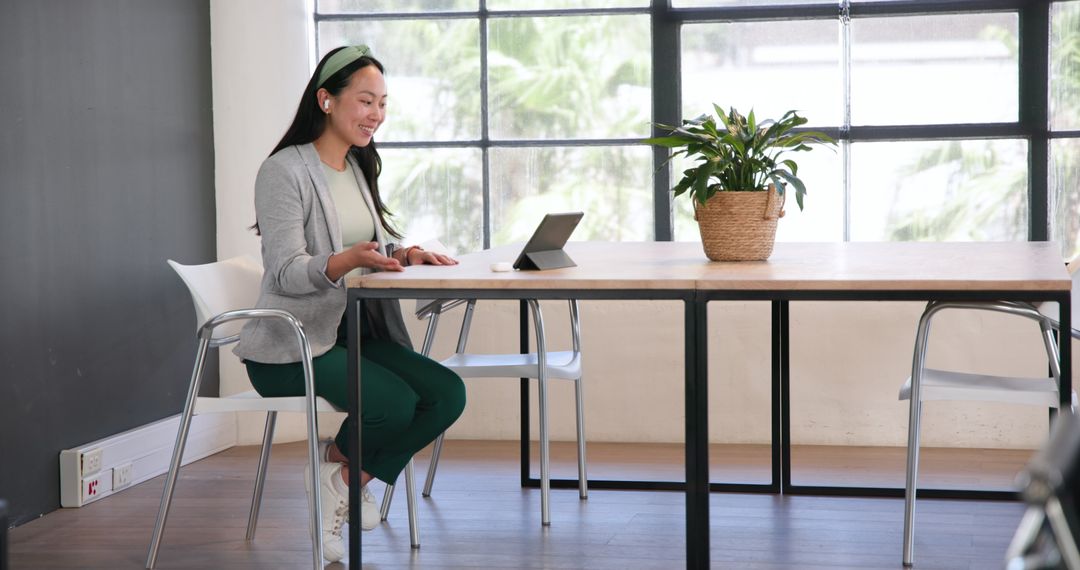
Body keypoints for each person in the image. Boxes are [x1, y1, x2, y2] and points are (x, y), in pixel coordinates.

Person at [233, 45, 467, 562]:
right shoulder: (283, 171)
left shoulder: (357, 166)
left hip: (352, 334)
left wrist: (403, 253)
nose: (376, 114)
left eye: (382, 103)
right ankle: (341, 481)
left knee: (446, 394)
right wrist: (343, 262)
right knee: (393, 404)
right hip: (292, 348)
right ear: (326, 100)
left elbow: (368, 244)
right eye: (365, 101)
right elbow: (285, 270)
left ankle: (340, 478)